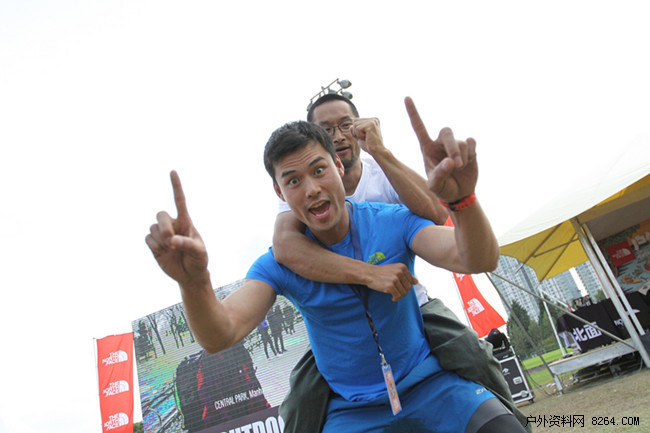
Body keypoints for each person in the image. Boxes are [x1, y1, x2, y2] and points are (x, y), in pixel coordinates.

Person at [145, 97, 527, 432]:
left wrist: (463, 202)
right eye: (293, 181)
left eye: (318, 170)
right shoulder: (279, 260)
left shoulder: (392, 221)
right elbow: (221, 333)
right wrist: (193, 283)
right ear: (279, 192)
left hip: (432, 387)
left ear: (339, 168)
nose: (311, 189)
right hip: (352, 410)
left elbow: (476, 258)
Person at [274, 94, 529, 432]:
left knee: (474, 355)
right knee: (299, 403)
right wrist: (369, 275)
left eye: (346, 125)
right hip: (339, 329)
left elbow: (438, 214)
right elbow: (285, 247)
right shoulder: (302, 190)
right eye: (327, 129)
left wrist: (381, 151)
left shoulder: (384, 173)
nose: (339, 136)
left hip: (409, 307)